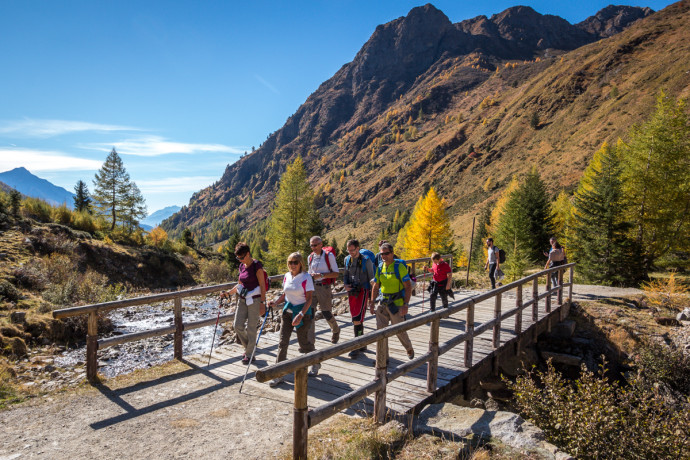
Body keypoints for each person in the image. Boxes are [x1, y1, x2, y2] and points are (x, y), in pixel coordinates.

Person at [267, 252, 319, 386]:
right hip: (288, 312)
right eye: (290, 262)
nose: (293, 265)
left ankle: (316, 361)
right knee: (283, 342)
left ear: (301, 263)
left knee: (303, 343)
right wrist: (275, 302)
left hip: (303, 314)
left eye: (295, 262)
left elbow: (309, 299)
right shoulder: (286, 276)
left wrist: (301, 314)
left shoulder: (306, 277)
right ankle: (278, 374)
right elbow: (285, 294)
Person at [221, 242, 266, 365]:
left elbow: (262, 285)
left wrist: (262, 302)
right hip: (242, 299)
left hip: (255, 300)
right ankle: (249, 348)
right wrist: (229, 293)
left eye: (242, 257)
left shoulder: (257, 265)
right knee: (237, 325)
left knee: (251, 328)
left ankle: (249, 353)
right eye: (238, 258)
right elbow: (240, 284)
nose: (240, 260)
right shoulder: (241, 266)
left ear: (248, 254)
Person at [369, 242, 415, 360]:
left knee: (399, 330)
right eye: (381, 254)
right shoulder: (380, 267)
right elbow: (376, 285)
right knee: (380, 332)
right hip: (383, 303)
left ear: (392, 253)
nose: (384, 256)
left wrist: (405, 304)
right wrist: (372, 302)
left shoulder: (399, 267)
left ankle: (409, 348)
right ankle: (383, 358)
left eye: (386, 253)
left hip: (397, 304)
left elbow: (408, 286)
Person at [343, 239, 375, 358]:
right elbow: (345, 275)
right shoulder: (347, 260)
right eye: (349, 250)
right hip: (352, 291)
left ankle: (356, 346)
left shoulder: (366, 261)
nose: (351, 252)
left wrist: (372, 299)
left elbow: (372, 280)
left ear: (358, 248)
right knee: (356, 318)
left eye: (353, 250)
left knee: (357, 317)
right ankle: (362, 343)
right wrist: (345, 285)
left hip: (363, 291)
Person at [307, 236, 341, 344]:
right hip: (312, 287)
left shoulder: (328, 256)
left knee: (326, 312)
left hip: (324, 288)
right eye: (312, 245)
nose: (313, 247)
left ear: (321, 244)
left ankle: (335, 330)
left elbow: (336, 273)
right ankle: (310, 342)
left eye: (315, 245)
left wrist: (321, 275)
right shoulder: (310, 257)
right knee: (310, 314)